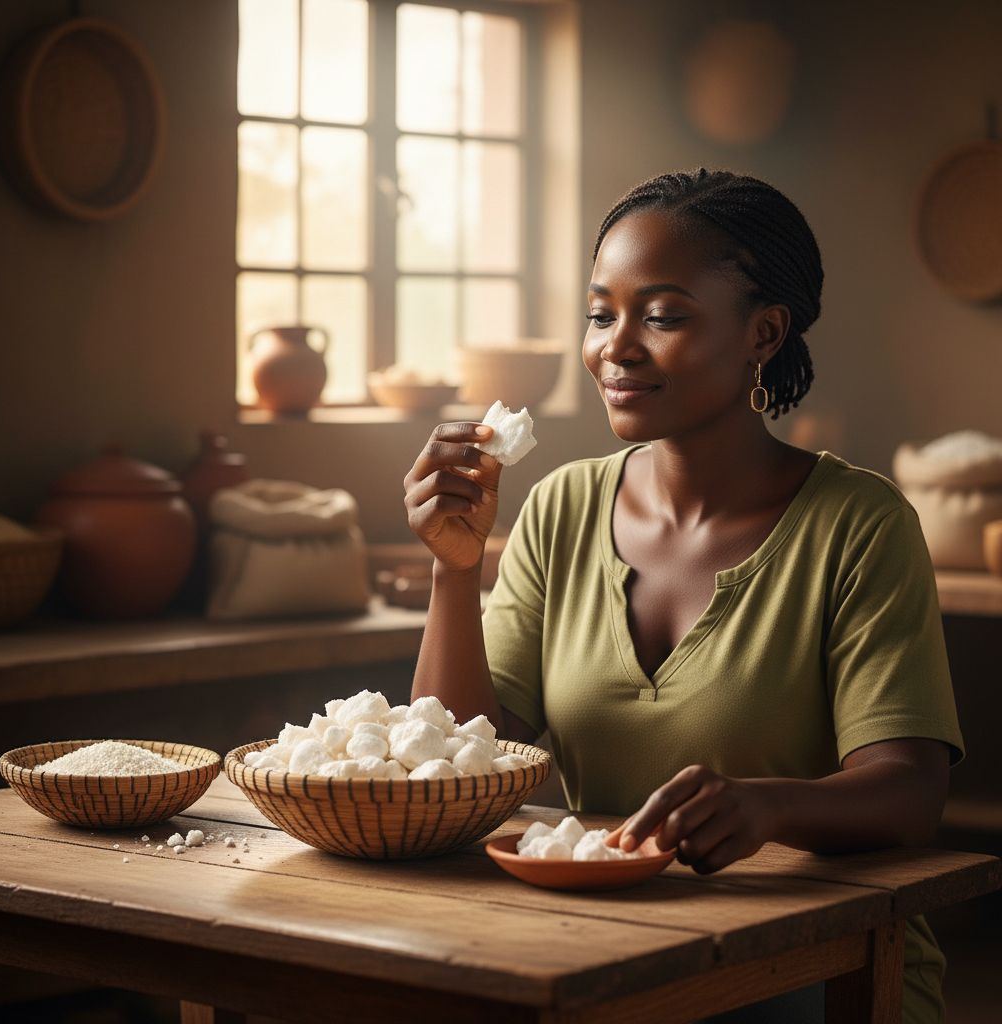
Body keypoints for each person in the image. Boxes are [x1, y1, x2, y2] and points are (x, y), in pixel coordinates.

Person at [403, 168, 964, 1024]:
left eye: (662, 316)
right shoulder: (561, 507)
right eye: (601, 314)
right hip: (602, 961)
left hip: (817, 972)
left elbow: (910, 792)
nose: (616, 347)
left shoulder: (859, 524)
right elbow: (451, 759)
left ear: (763, 333)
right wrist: (455, 568)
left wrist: (765, 803)